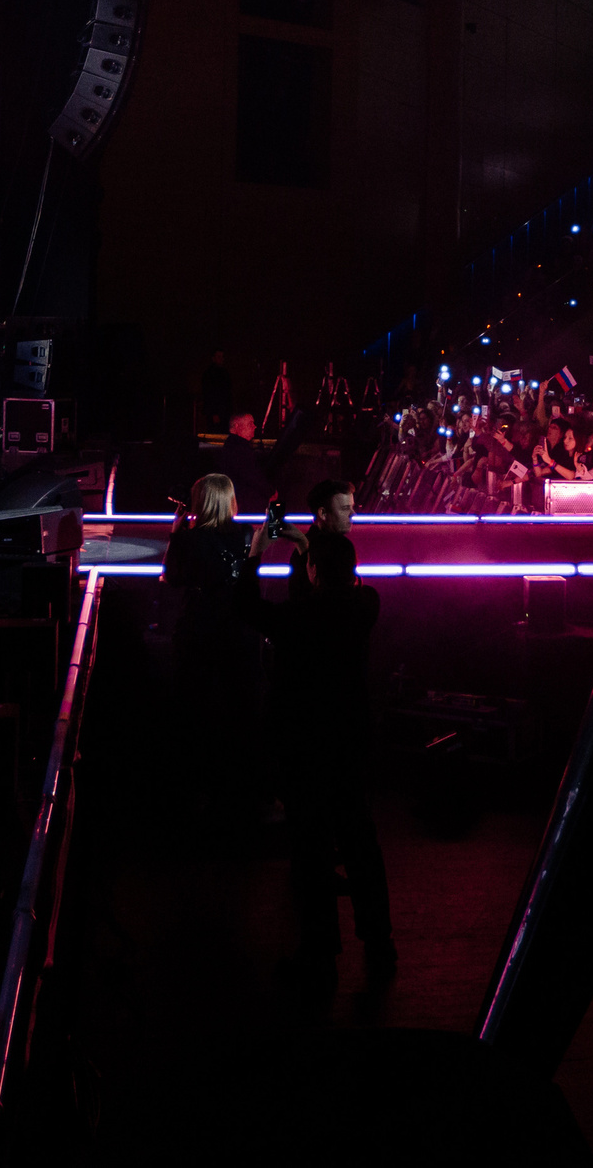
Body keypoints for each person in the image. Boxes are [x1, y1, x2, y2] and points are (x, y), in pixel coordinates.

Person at [242, 478, 393, 998]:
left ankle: (320, 955)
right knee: (361, 844)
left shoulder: (296, 620)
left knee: (311, 850)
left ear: (309, 570)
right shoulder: (366, 605)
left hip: (304, 743)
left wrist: (256, 552)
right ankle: (381, 946)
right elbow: (342, 595)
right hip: (350, 740)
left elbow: (251, 607)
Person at [162, 473, 263, 821]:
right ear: (230, 500)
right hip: (239, 628)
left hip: (200, 628)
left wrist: (176, 534)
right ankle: (240, 791)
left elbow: (172, 578)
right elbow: (271, 539)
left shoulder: (191, 539)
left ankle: (197, 793)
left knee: (197, 710)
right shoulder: (247, 534)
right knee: (240, 710)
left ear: (199, 501)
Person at [217, 413, 274, 514]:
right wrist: (270, 491)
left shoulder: (234, 446)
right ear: (237, 426)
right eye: (250, 424)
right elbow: (252, 476)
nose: (254, 427)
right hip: (246, 507)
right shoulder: (239, 449)